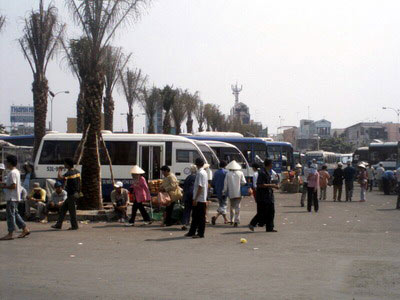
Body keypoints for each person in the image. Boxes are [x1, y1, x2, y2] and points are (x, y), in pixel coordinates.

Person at [0, 155, 30, 240]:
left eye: (6, 161)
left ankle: (10, 233)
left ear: (10, 163)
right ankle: (25, 229)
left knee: (10, 215)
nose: (5, 163)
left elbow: (13, 186)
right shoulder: (16, 171)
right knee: (15, 214)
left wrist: (4, 187)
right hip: (14, 196)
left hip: (11, 197)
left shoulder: (12, 173)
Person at [249, 159, 279, 232]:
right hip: (263, 196)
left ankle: (270, 228)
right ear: (269, 164)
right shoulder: (262, 173)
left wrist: (273, 185)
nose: (272, 165)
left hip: (269, 195)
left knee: (271, 212)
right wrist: (272, 185)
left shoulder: (268, 172)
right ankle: (252, 223)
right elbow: (260, 185)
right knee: (262, 212)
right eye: (272, 164)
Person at [51, 158, 80, 230]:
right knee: (63, 209)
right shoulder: (77, 171)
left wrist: (59, 170)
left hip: (71, 194)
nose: (64, 165)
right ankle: (58, 224)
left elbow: (59, 177)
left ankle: (74, 226)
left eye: (65, 164)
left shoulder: (69, 173)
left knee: (72, 211)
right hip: (76, 193)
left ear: (68, 164)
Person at [186, 158, 208, 238]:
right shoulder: (203, 172)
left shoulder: (200, 173)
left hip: (199, 199)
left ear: (196, 165)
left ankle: (200, 233)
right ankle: (192, 231)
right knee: (195, 216)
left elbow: (200, 187)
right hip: (200, 198)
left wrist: (195, 199)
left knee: (200, 217)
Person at [223, 160, 246, 227]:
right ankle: (236, 220)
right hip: (238, 193)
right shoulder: (240, 173)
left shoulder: (228, 174)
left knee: (231, 207)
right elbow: (244, 182)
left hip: (231, 193)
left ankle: (232, 220)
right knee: (237, 207)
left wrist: (224, 191)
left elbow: (225, 184)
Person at [211, 160, 228, 225]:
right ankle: (215, 216)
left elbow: (213, 182)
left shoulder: (216, 172)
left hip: (218, 191)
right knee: (224, 205)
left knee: (221, 204)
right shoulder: (226, 172)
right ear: (225, 166)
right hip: (224, 191)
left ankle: (225, 219)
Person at [181, 165, 197, 230]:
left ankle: (185, 223)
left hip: (187, 195)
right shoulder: (196, 177)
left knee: (187, 210)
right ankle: (194, 225)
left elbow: (184, 188)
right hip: (194, 195)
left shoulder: (188, 177)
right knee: (195, 210)